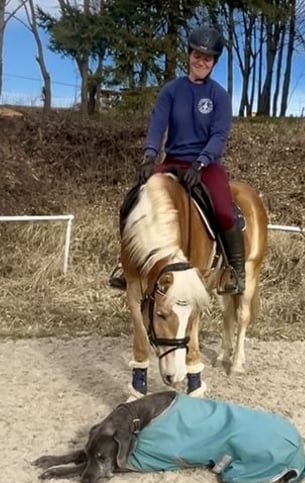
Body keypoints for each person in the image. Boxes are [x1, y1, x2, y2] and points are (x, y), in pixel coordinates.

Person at [109, 25, 246, 294]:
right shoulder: (171, 91)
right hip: (172, 162)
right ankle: (129, 265)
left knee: (223, 210)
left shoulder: (218, 95)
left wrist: (202, 162)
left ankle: (236, 272)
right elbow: (158, 124)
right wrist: (150, 155)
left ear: (214, 63)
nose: (201, 61)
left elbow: (219, 133)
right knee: (133, 200)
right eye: (197, 55)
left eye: (207, 58)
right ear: (189, 55)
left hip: (205, 167)